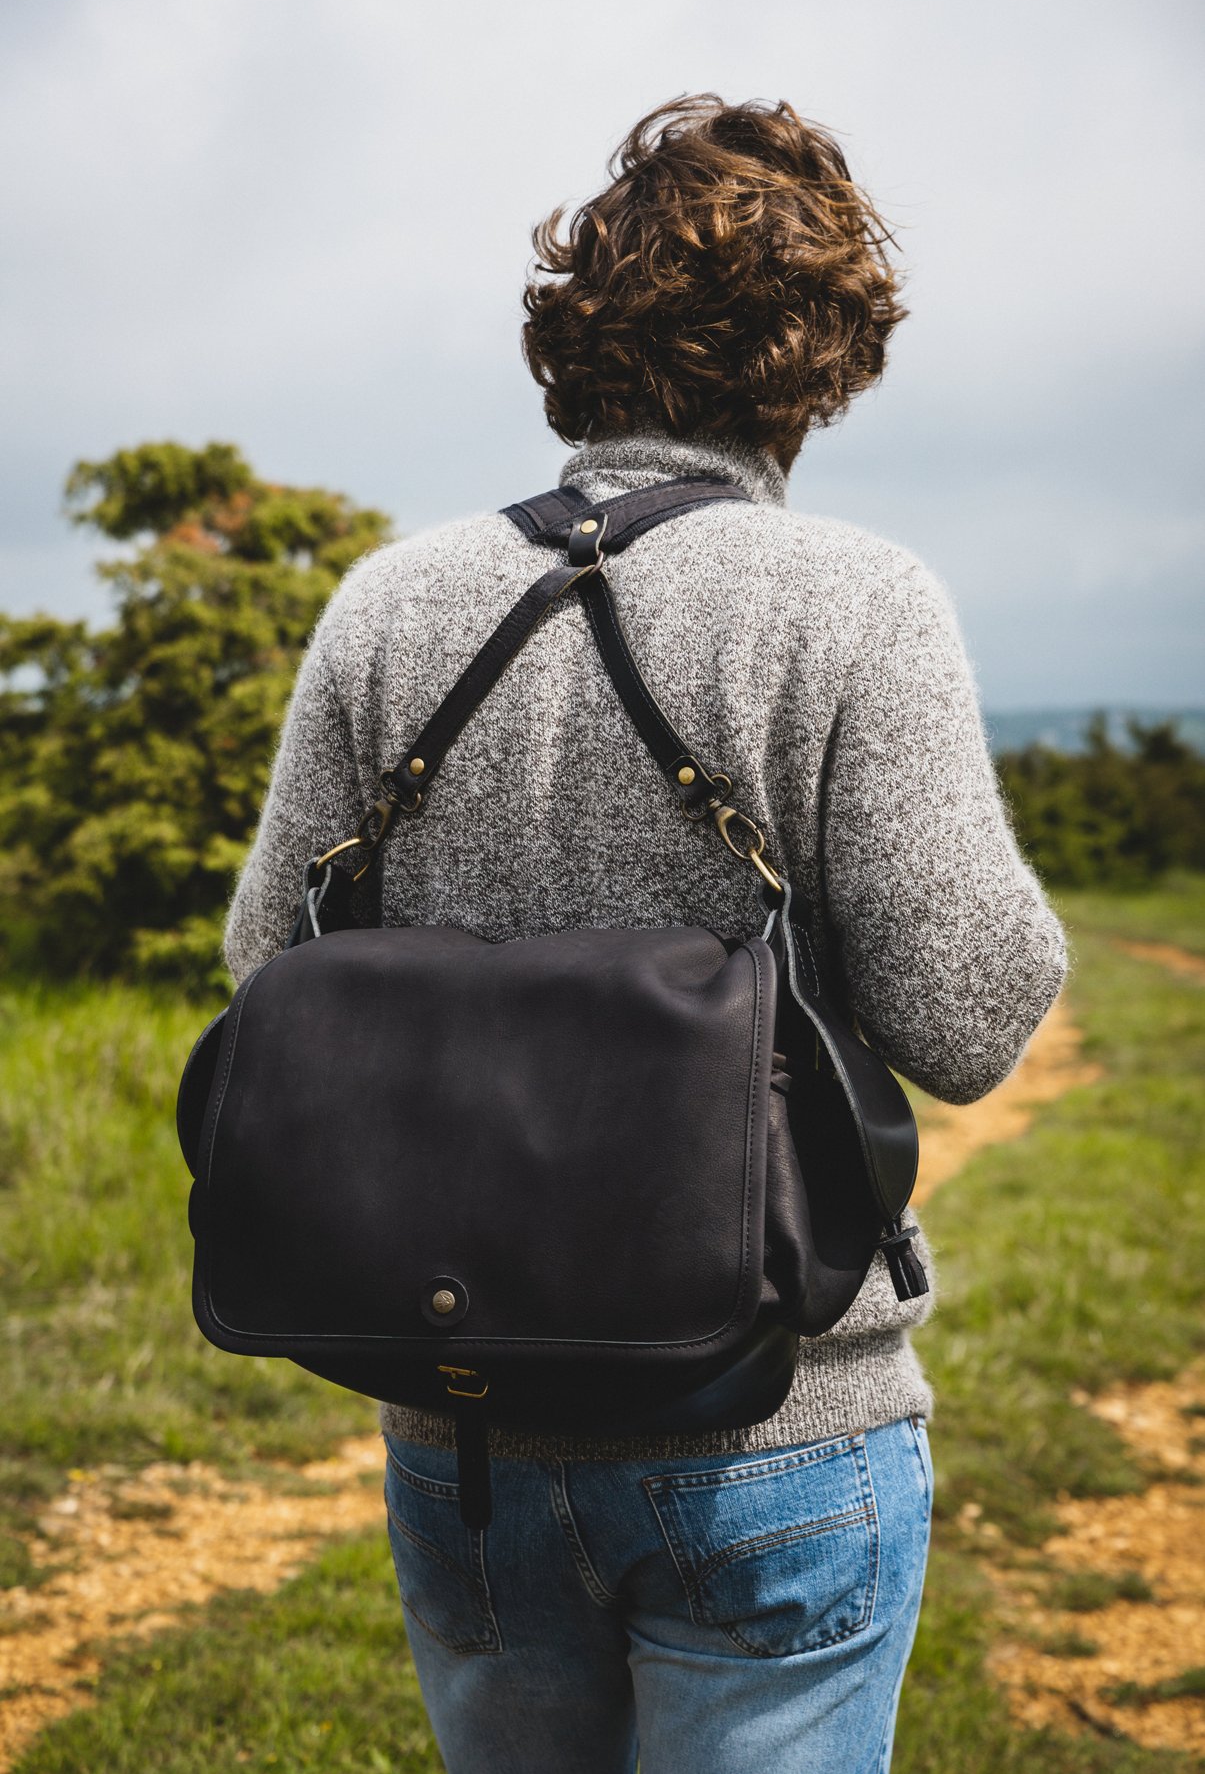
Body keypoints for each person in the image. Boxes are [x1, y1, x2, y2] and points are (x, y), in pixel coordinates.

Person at [224, 95, 1066, 1774]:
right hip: (777, 1435)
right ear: (822, 357)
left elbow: (271, 968)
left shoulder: (389, 601)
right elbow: (969, 1014)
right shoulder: (853, 600)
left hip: (457, 1430)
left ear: (577, 337)